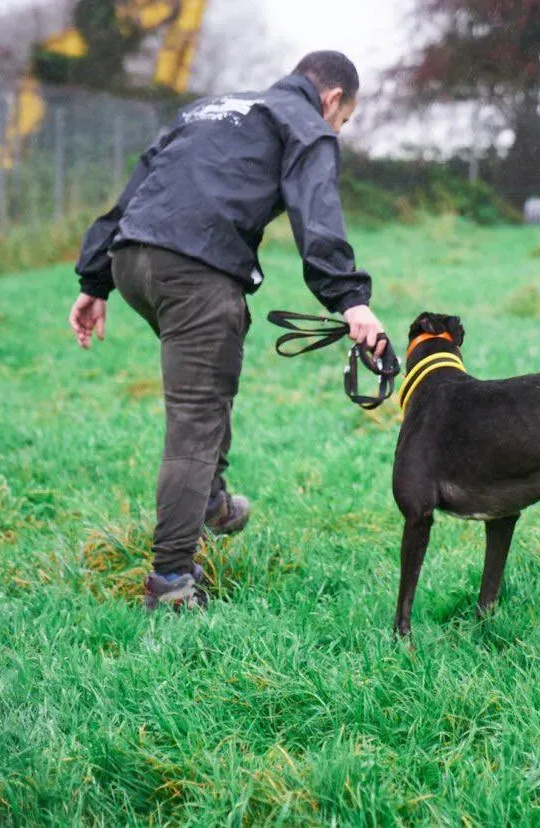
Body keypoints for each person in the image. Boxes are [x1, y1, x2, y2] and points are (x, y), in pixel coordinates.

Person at [68, 50, 384, 611]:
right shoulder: (306, 123)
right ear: (333, 99)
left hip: (132, 262)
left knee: (207, 389)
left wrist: (95, 279)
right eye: (345, 117)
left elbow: (136, 190)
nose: (338, 126)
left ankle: (211, 501)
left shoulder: (208, 109)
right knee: (195, 417)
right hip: (195, 269)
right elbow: (317, 212)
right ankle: (171, 581)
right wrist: (351, 301)